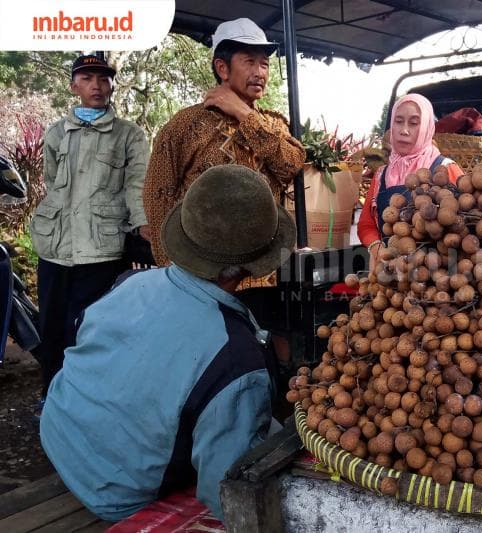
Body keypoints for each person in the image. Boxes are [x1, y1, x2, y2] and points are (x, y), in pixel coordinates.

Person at [39, 164, 295, 522]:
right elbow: (226, 489)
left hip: (57, 434)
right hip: (115, 492)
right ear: (253, 265)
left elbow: (89, 344)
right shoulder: (236, 359)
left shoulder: (130, 282)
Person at [30, 54, 150, 398]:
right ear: (74, 86)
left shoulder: (129, 134)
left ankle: (86, 400)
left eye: (103, 78)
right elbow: (53, 183)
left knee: (89, 328)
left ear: (112, 84)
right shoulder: (57, 132)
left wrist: (144, 226)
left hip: (101, 249)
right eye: (87, 78)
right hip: (55, 247)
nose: (96, 85)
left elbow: (136, 185)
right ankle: (52, 395)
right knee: (51, 326)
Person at [143, 17, 305, 269]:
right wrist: (172, 265)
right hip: (203, 270)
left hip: (263, 268)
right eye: (249, 62)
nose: (260, 72)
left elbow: (291, 166)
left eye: (264, 64)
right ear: (222, 68)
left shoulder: (274, 124)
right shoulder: (185, 124)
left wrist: (244, 114)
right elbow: (158, 195)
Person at [357, 94, 464, 271]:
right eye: (398, 121)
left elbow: (463, 225)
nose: (404, 130)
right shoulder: (382, 174)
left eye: (414, 123)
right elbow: (366, 224)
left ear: (427, 128)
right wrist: (376, 248)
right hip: (390, 275)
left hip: (436, 278)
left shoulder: (445, 169)